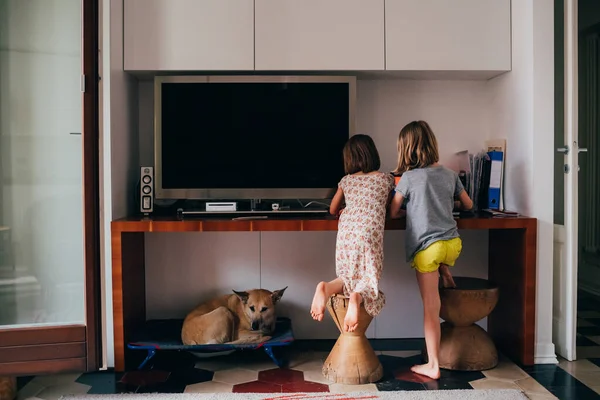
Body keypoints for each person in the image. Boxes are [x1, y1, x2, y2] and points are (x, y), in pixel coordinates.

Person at [389, 120, 473, 380]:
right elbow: (468, 205)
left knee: (430, 309)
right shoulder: (449, 174)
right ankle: (445, 273)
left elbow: (392, 212)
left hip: (428, 249)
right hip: (452, 244)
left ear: (406, 149)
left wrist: (412, 209)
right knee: (437, 252)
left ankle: (433, 365)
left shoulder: (410, 178)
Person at [310, 134, 394, 332]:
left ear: (348, 158)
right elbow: (389, 207)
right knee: (369, 275)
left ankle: (326, 287)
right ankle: (357, 296)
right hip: (369, 230)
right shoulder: (386, 179)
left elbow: (332, 209)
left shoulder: (346, 181)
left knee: (347, 274)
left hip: (347, 230)